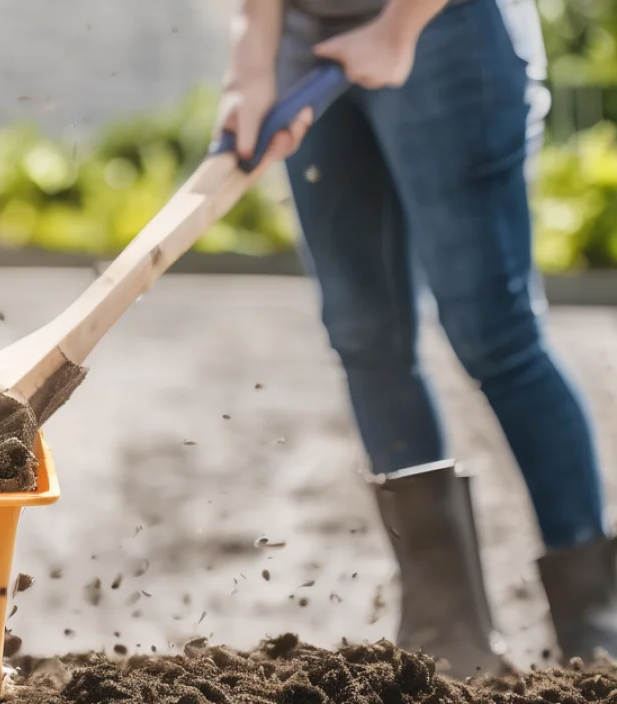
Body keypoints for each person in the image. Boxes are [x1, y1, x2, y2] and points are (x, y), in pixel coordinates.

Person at [219, 0, 617, 676]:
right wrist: (252, 60)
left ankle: (596, 616)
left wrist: (399, 26)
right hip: (305, 31)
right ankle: (446, 624)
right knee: (363, 332)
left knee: (494, 332)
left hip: (445, 26)